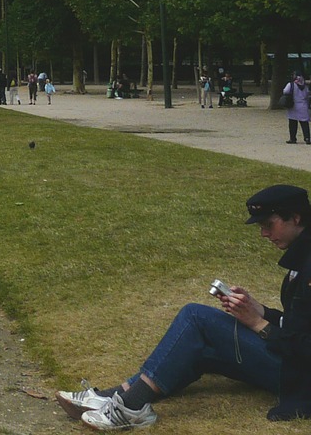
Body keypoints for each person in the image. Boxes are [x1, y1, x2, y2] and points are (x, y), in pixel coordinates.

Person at [57, 185, 311, 429]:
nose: (264, 233)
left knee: (196, 316)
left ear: (296, 218)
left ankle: (131, 408)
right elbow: (298, 321)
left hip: (301, 377)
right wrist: (259, 309)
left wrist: (257, 324)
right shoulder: (302, 253)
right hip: (294, 365)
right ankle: (116, 396)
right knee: (198, 347)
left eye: (269, 224)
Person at [283, 74, 311, 144]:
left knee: (292, 123)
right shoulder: (305, 86)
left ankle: (293, 138)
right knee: (304, 123)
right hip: (303, 105)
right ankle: (307, 138)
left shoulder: (291, 84)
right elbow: (307, 94)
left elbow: (285, 91)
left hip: (293, 105)